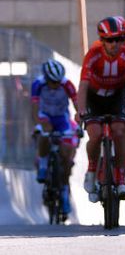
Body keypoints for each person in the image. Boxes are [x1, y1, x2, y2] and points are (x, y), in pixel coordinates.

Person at [79, 16, 125, 202]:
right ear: (102, 40)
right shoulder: (93, 54)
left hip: (116, 96)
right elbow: (83, 86)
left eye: (118, 39)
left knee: (120, 131)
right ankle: (91, 170)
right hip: (94, 97)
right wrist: (80, 110)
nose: (114, 44)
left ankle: (121, 179)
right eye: (109, 40)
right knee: (95, 134)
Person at [32, 59, 78, 215]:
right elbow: (34, 108)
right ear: (46, 78)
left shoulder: (67, 84)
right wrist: (38, 124)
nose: (56, 85)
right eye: (53, 82)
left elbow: (77, 105)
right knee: (44, 133)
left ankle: (64, 192)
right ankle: (43, 165)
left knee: (66, 155)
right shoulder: (37, 84)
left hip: (62, 118)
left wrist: (80, 124)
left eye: (59, 82)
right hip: (44, 116)